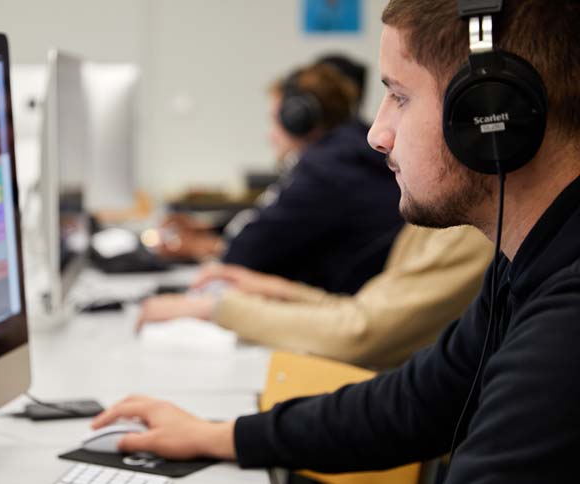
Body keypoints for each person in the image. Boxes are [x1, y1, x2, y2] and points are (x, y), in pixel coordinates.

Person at [93, 0, 580, 480]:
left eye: (401, 97)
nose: (376, 135)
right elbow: (417, 402)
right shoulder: (526, 262)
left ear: (487, 113)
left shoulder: (564, 330)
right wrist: (221, 437)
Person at [160, 59, 403, 294]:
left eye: (275, 121)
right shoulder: (350, 152)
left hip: (334, 307)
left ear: (297, 119)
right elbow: (275, 222)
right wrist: (209, 228)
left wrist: (195, 246)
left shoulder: (326, 170)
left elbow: (243, 255)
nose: (271, 137)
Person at [138, 223, 493, 369]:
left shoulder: (471, 232)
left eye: (401, 98)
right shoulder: (438, 218)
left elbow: (358, 333)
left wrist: (212, 307)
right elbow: (365, 312)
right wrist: (274, 290)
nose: (378, 133)